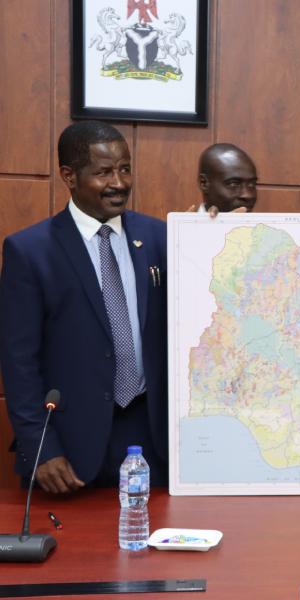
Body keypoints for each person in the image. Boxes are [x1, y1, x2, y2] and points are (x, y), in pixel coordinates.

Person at [0, 121, 168, 493]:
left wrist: (211, 230)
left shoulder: (161, 238)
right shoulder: (30, 251)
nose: (120, 182)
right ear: (69, 176)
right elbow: (18, 362)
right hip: (68, 448)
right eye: (104, 172)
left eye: (125, 168)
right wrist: (41, 448)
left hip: (152, 440)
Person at [189, 143, 258, 215]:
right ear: (204, 183)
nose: (248, 195)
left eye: (252, 184)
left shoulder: (262, 225)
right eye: (233, 184)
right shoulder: (183, 225)